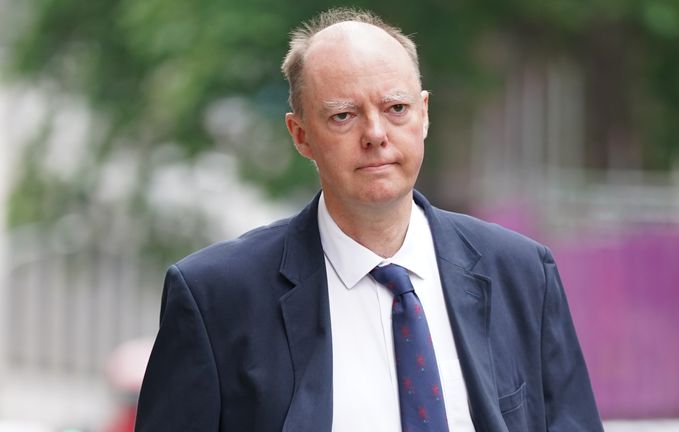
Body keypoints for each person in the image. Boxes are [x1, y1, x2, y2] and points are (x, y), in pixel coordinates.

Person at [135, 7, 603, 432]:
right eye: (343, 116)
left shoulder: (521, 274)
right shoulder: (215, 298)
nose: (376, 134)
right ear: (300, 135)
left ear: (423, 114)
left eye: (396, 109)